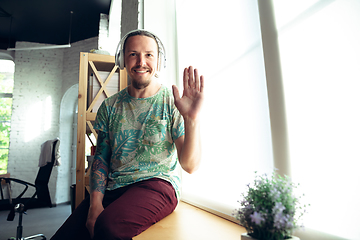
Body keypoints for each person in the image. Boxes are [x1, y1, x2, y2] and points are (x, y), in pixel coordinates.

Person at [51, 29, 204, 240]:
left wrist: (191, 119)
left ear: (159, 61)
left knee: (108, 228)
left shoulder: (171, 102)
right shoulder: (109, 106)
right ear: (122, 59)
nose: (141, 61)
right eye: (133, 54)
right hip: (115, 187)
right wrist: (95, 204)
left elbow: (190, 165)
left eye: (149, 54)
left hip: (157, 184)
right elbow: (101, 158)